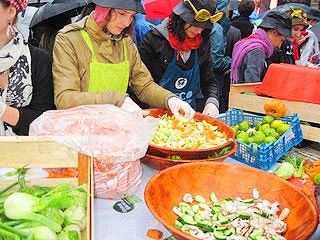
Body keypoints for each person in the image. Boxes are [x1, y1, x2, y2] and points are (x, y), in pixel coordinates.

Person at [52, 0, 194, 119]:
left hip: (117, 129)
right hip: (79, 130)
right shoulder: (69, 39)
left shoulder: (125, 43)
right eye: (121, 13)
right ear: (103, 9)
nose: (127, 22)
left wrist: (170, 99)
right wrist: (117, 100)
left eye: (132, 16)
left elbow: (144, 86)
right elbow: (64, 99)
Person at [138, 0, 221, 117]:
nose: (199, 31)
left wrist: (212, 101)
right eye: (195, 24)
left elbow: (208, 79)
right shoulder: (153, 40)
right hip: (154, 115)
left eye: (204, 27)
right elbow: (140, 84)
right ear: (181, 19)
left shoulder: (202, 42)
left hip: (187, 116)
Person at [0, 0, 55, 136]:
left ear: (11, 12)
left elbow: (43, 119)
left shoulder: (38, 60)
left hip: (24, 152)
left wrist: (3, 111)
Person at [230, 10, 292, 84]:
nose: (279, 45)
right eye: (281, 40)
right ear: (274, 32)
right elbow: (251, 83)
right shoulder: (257, 51)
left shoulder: (250, 42)